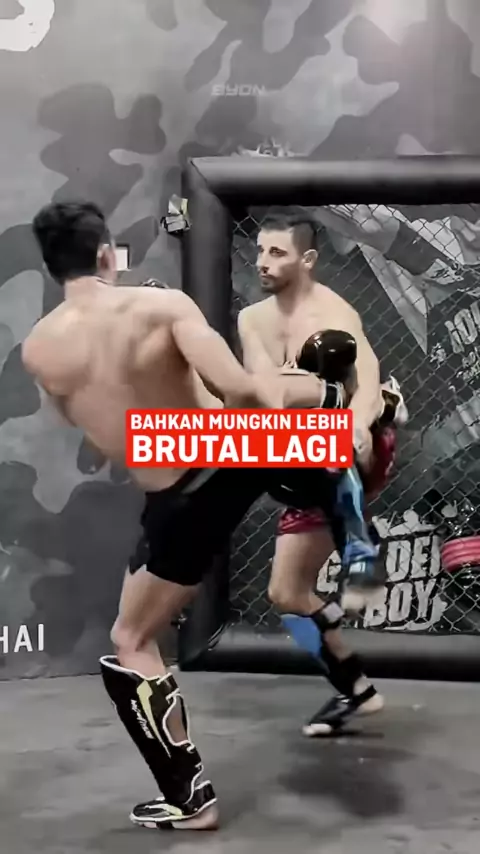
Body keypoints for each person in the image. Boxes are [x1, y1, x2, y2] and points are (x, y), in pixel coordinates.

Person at [23, 200, 355, 831]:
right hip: (230, 459)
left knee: (131, 641)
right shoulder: (162, 306)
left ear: (50, 265)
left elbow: (95, 432)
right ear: (105, 253)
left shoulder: (39, 349)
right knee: (281, 418)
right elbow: (240, 391)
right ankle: (334, 425)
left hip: (180, 494)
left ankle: (189, 799)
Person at [238, 210, 406, 736]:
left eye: (277, 253)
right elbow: (268, 393)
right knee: (287, 596)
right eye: (260, 251)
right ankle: (354, 687)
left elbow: (367, 379)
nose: (263, 262)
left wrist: (359, 419)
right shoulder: (253, 319)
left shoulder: (334, 311)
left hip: (352, 449)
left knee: (331, 385)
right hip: (303, 451)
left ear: (307, 259)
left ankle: (361, 548)